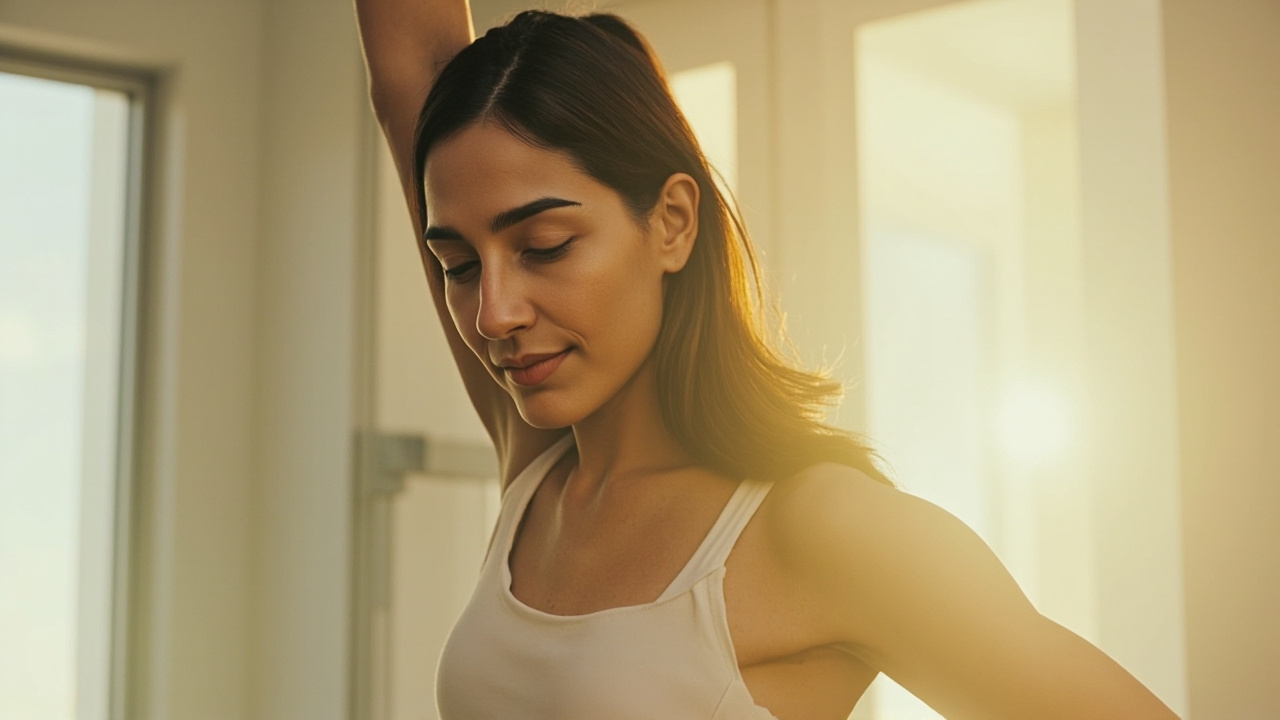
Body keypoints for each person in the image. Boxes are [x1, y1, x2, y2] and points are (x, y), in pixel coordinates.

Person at [354, 2, 1182, 718]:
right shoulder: (540, 466)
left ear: (673, 222)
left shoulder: (822, 529)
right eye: (458, 265)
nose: (492, 313)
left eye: (545, 246)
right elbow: (410, 72)